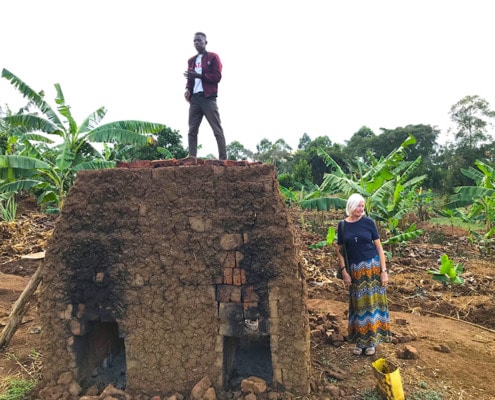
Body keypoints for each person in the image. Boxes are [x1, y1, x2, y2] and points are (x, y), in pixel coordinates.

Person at [336, 193, 391, 356]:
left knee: (372, 305)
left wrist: (384, 271)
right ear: (351, 206)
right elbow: (339, 250)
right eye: (358, 206)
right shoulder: (342, 225)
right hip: (355, 271)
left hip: (372, 268)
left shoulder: (369, 223)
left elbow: (380, 248)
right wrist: (344, 271)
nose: (361, 209)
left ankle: (372, 342)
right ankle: (360, 342)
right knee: (359, 306)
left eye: (363, 206)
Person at [183, 32, 227, 160]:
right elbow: (190, 80)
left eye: (199, 40)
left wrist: (199, 76)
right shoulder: (191, 60)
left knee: (216, 129)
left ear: (205, 42)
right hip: (195, 99)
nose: (196, 43)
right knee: (192, 130)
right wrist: (187, 89)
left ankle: (223, 159)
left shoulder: (213, 57)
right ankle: (192, 157)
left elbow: (217, 77)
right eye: (194, 41)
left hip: (208, 98)